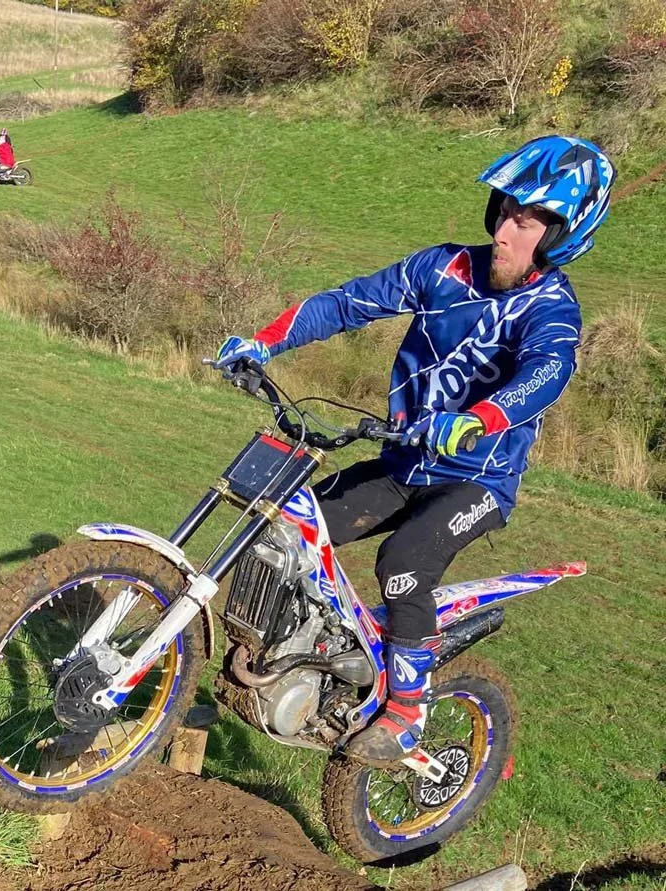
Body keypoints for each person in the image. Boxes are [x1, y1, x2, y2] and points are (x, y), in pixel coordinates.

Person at [215, 135, 616, 765]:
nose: (507, 229)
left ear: (565, 234)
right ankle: (293, 661)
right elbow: (347, 303)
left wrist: (479, 418)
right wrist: (262, 344)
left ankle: (406, 710)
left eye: (529, 219)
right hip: (403, 462)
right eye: (506, 209)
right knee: (288, 526)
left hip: (476, 480)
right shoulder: (442, 269)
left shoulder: (551, 309)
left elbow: (546, 374)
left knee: (404, 561)